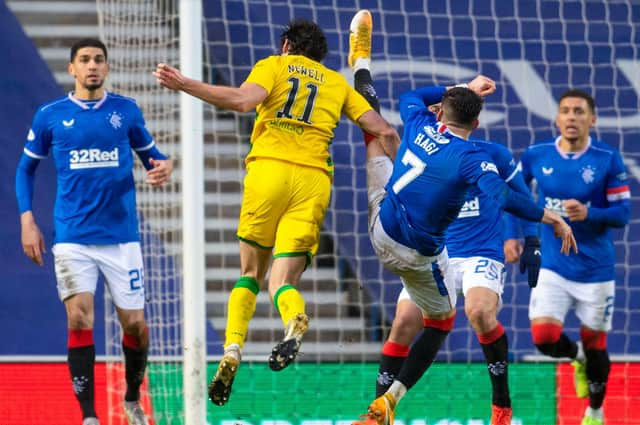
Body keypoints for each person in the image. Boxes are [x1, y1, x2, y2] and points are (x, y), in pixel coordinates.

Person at [345, 10, 578, 425]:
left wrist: (464, 87)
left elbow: (411, 98)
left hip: (392, 221)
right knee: (439, 320)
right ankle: (383, 407)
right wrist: (551, 219)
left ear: (440, 112)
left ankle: (361, 64)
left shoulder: (421, 120)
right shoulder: (473, 159)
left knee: (380, 133)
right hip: (424, 249)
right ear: (476, 120)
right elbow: (508, 198)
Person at [154, 18, 400, 406]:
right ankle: (292, 322)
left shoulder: (274, 65)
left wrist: (184, 83)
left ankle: (233, 349)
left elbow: (242, 101)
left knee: (251, 273)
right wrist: (402, 176)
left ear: (286, 45)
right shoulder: (336, 83)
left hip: (268, 172)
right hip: (314, 183)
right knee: (282, 280)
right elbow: (383, 130)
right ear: (321, 54)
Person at [15, 39, 173, 425]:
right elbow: (25, 170)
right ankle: (88, 416)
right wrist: (27, 219)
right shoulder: (50, 116)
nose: (92, 66)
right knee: (79, 318)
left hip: (122, 238)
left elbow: (154, 156)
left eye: (98, 60)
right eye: (84, 60)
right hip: (73, 239)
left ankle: (132, 398)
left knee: (135, 325)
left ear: (106, 67)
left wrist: (165, 166)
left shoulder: (126, 111)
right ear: (72, 69)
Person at [517, 89, 631, 425]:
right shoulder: (536, 155)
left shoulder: (607, 158)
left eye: (579, 111)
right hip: (553, 265)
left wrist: (589, 213)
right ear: (556, 118)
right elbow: (514, 196)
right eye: (565, 111)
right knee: (543, 338)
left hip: (596, 268)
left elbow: (623, 214)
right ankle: (576, 356)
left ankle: (594, 411)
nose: (571, 117)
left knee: (596, 341)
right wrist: (516, 237)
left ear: (592, 119)